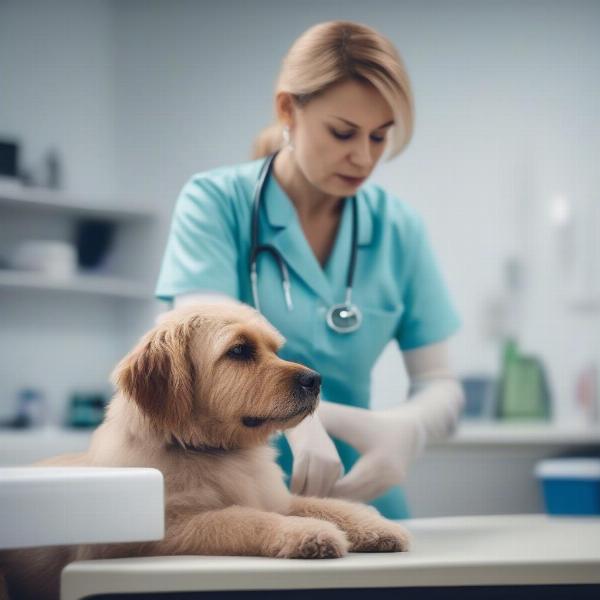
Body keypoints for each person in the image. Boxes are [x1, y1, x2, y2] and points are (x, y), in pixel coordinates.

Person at [155, 20, 465, 520]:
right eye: (343, 132)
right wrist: (299, 420)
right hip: (235, 501)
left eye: (380, 137)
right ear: (288, 111)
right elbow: (198, 328)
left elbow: (441, 383)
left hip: (362, 497)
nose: (363, 156)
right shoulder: (216, 203)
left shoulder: (398, 228)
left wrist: (409, 428)